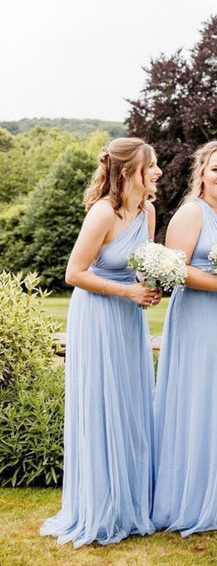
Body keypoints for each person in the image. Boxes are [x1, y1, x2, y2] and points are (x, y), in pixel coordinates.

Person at [40, 138, 162, 548]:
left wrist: (152, 284)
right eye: (150, 165)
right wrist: (128, 291)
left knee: (131, 402)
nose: (158, 171)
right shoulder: (103, 213)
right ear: (128, 172)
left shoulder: (147, 212)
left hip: (129, 317)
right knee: (101, 402)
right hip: (97, 315)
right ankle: (100, 506)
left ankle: (130, 502)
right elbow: (74, 273)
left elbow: (141, 265)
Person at [151, 141, 217, 535]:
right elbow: (175, 269)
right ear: (202, 174)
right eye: (215, 169)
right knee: (199, 397)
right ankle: (189, 497)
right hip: (199, 317)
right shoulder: (191, 213)